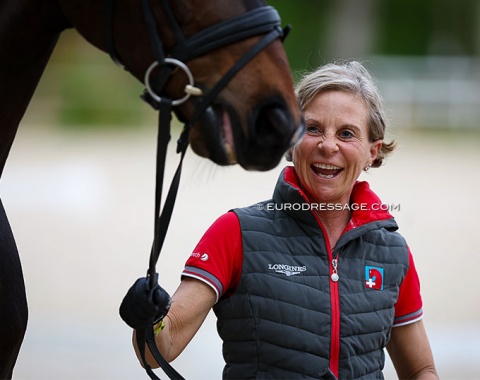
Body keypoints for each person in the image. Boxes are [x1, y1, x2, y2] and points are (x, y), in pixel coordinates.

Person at [130, 61, 438, 379]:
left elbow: (422, 370)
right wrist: (148, 318)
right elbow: (158, 350)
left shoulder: (392, 252)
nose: (327, 145)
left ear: (372, 152)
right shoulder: (235, 232)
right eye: (313, 128)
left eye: (346, 134)